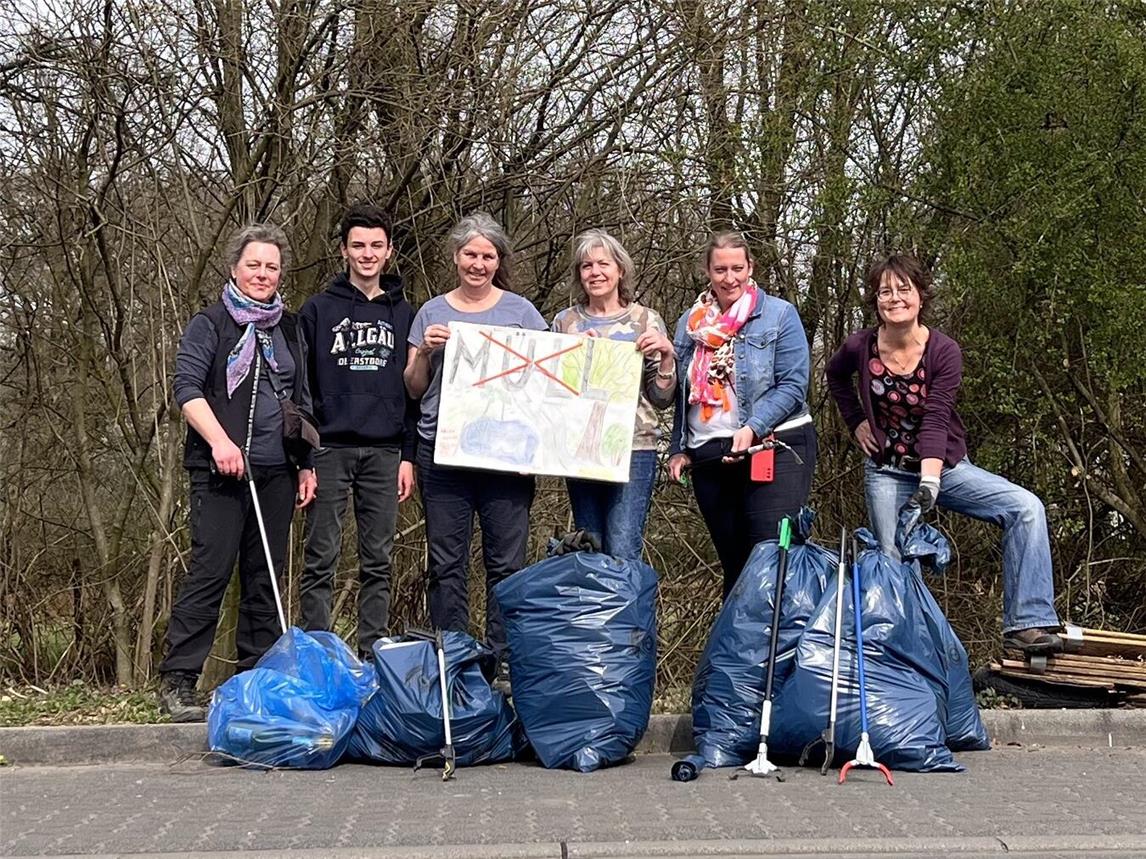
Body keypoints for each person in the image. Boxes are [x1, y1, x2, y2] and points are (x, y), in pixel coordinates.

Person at [825, 253, 1062, 655]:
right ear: (875, 301)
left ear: (921, 295)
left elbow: (936, 418)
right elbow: (835, 376)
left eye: (904, 289)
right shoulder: (860, 346)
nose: (895, 298)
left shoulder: (943, 350)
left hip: (944, 467)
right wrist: (856, 421)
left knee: (1025, 508)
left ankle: (1027, 623)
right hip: (887, 471)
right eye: (885, 291)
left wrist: (930, 481)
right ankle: (904, 653)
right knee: (891, 558)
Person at [160, 224, 318, 722]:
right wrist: (220, 442)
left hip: (277, 472)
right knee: (210, 572)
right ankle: (179, 681)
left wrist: (306, 464)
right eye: (254, 265)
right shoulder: (210, 324)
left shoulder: (290, 327)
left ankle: (258, 682)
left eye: (272, 266)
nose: (263, 274)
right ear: (234, 268)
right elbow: (187, 390)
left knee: (265, 579)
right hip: (220, 472)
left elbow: (302, 401)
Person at [404, 213, 546, 681]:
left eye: (487, 256)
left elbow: (548, 387)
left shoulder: (523, 313)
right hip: (442, 454)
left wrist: (538, 452)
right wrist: (424, 353)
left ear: (498, 261)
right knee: (447, 563)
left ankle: (501, 660)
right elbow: (413, 388)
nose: (478, 264)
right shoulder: (430, 313)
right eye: (470, 254)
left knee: (507, 564)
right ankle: (454, 656)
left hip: (507, 457)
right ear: (455, 257)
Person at [667, 232, 816, 597]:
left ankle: (777, 632)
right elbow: (681, 394)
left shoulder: (779, 314)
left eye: (737, 268)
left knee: (769, 559)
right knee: (734, 564)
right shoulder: (690, 324)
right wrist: (678, 448)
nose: (729, 278)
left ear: (751, 268)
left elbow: (794, 385)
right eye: (720, 269)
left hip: (774, 445)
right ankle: (737, 635)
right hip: (709, 454)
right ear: (707, 271)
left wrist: (753, 426)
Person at [297, 203, 416, 658]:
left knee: (378, 561)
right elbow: (301, 388)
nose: (367, 254)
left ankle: (373, 654)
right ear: (344, 250)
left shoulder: (405, 314)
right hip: (329, 448)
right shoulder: (317, 311)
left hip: (385, 452)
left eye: (376, 245)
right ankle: (318, 653)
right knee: (321, 557)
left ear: (389, 252)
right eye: (358, 245)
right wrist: (305, 458)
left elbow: (414, 392)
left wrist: (408, 456)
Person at [550, 229, 676, 560]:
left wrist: (666, 356)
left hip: (634, 446)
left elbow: (661, 399)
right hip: (580, 446)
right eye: (586, 265)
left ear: (620, 269)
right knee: (589, 545)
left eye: (603, 264)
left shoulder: (646, 320)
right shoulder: (565, 322)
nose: (595, 272)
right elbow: (551, 392)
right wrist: (573, 357)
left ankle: (624, 597)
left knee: (622, 545)